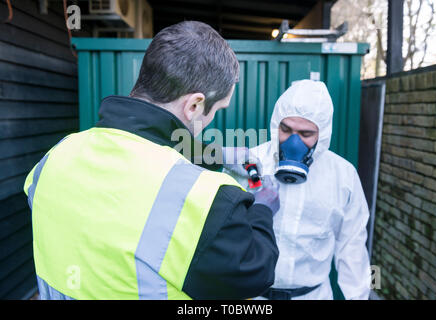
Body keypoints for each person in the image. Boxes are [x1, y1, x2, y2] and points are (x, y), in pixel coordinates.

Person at [23, 21, 280, 300]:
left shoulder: (54, 157)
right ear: (194, 105)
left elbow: (140, 145)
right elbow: (254, 274)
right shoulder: (207, 202)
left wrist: (216, 155)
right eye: (216, 110)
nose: (212, 120)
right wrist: (263, 209)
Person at [227, 80, 371, 300]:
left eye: (305, 134)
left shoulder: (342, 176)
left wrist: (359, 296)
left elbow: (352, 246)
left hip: (312, 295)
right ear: (276, 124)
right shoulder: (248, 163)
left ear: (321, 135)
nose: (293, 142)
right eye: (285, 129)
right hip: (250, 297)